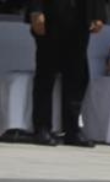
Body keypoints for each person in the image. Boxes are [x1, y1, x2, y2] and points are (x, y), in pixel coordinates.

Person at [26, 0, 104, 147]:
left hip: (79, 17)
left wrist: (98, 14)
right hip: (50, 16)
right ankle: (42, 128)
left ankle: (72, 130)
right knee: (46, 74)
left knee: (77, 75)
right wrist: (36, 10)